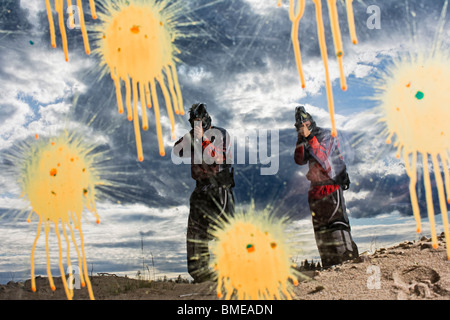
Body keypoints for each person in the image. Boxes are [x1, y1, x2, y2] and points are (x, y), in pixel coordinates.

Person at [173, 103, 235, 282]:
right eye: (194, 121)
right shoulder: (193, 136)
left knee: (224, 231)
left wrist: (203, 140)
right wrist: (193, 136)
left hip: (219, 187)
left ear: (207, 119)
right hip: (200, 187)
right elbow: (177, 151)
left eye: (199, 121)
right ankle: (200, 274)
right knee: (196, 232)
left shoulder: (220, 133)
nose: (197, 124)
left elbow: (214, 159)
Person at [294, 106, 358, 268]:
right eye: (299, 125)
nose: (302, 127)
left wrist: (309, 138)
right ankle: (329, 265)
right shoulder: (306, 138)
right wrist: (301, 140)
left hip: (330, 186)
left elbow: (325, 159)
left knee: (336, 226)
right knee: (321, 230)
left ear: (311, 122)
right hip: (315, 189)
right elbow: (299, 160)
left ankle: (348, 262)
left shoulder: (325, 135)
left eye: (304, 123)